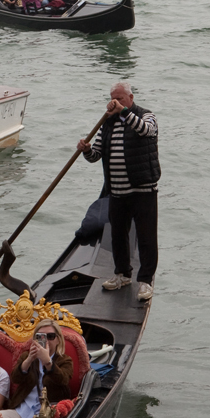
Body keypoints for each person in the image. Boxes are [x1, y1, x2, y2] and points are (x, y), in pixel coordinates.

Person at [77, 81, 160, 302]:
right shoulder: (107, 122)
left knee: (146, 237)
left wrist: (123, 112)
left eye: (120, 98)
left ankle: (145, 281)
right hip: (117, 191)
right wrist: (86, 150)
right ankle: (122, 275)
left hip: (143, 189)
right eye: (113, 98)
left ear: (130, 98)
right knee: (117, 236)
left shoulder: (146, 116)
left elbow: (146, 131)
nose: (115, 102)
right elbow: (96, 155)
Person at [0, 323, 74, 418]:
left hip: (48, 412)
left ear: (58, 340)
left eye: (50, 336)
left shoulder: (65, 360)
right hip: (23, 409)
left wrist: (48, 362)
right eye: (41, 336)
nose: (46, 340)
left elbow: (63, 380)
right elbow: (15, 379)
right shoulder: (26, 357)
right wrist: (28, 361)